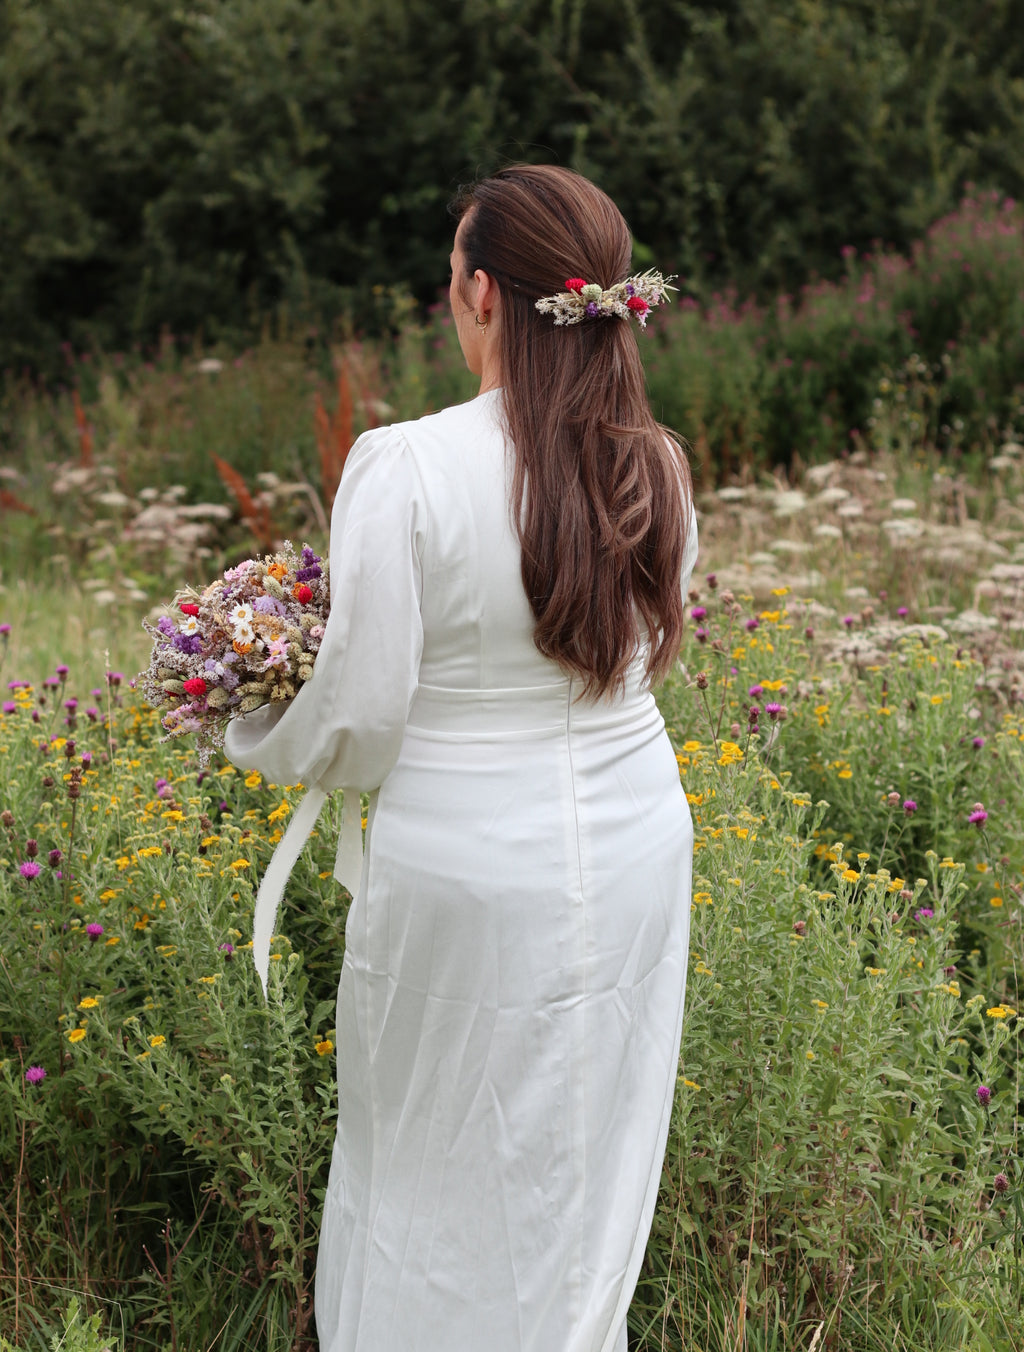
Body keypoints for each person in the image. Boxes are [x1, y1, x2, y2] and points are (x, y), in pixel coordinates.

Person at [225, 163, 698, 1352]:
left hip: (468, 856)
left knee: (431, 1154)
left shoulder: (409, 464)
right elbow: (639, 662)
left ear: (481, 293)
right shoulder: (659, 465)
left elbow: (363, 711)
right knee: (588, 1143)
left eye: (452, 273)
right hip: (637, 832)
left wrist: (254, 720)